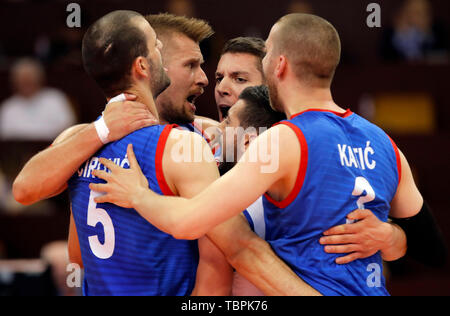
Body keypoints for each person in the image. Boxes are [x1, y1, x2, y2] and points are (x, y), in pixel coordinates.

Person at [90, 13, 433, 296]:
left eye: (262, 59)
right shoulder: (384, 142)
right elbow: (432, 249)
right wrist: (393, 237)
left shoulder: (281, 140)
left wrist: (136, 194)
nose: (221, 86)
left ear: (279, 65)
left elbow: (187, 222)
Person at [14, 11, 321, 296]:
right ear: (147, 65)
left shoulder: (80, 141)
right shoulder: (185, 145)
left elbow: (76, 256)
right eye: (191, 65)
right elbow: (229, 257)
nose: (204, 78)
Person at [0, 58, 76, 140]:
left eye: (29, 79)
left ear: (39, 78)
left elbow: (69, 129)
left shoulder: (55, 99)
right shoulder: (8, 107)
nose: (26, 83)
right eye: (22, 80)